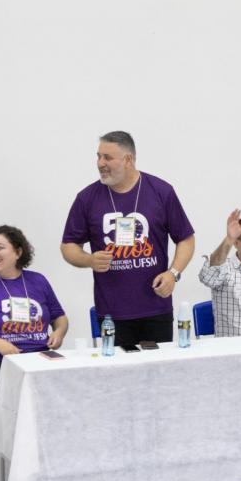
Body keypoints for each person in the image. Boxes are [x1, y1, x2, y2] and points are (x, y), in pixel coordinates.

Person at [61, 131, 195, 348]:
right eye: (98, 156)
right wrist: (89, 260)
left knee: (158, 377)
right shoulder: (87, 198)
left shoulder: (161, 191)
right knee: (116, 379)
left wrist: (173, 273)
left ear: (128, 160)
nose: (100, 163)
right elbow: (68, 246)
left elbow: (186, 239)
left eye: (107, 157)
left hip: (156, 308)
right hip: (112, 314)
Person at [0, 225, 68, 399]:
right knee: (34, 392)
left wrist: (59, 333)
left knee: (71, 383)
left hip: (40, 357)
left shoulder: (38, 281)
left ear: (18, 252)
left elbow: (59, 317)